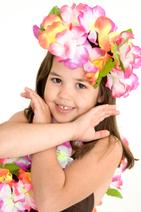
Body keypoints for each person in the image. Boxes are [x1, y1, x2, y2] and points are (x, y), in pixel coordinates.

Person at [0, 2, 141, 212]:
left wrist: (45, 127)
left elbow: (50, 203)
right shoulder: (29, 118)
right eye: (56, 80)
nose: (64, 95)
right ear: (44, 78)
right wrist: (68, 129)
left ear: (101, 94)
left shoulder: (107, 146)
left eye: (81, 85)